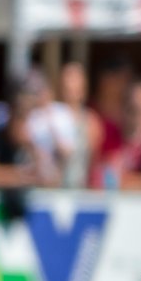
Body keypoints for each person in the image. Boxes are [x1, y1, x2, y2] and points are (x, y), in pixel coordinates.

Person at [29, 61, 93, 189]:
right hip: (46, 187)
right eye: (66, 82)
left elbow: (92, 162)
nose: (70, 86)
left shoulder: (91, 121)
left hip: (77, 191)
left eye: (75, 82)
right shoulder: (45, 116)